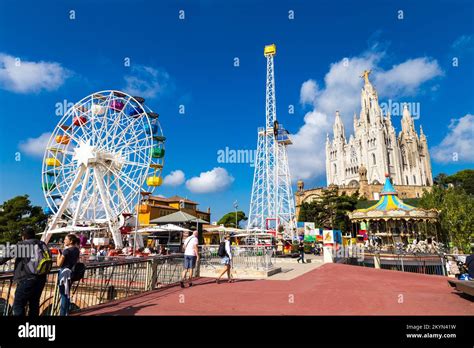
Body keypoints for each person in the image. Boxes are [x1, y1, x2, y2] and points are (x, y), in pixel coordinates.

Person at [0, 227, 52, 316]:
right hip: (41, 279)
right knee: (34, 304)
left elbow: (4, 257)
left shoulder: (23, 245)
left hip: (27, 279)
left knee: (18, 305)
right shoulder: (42, 244)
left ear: (23, 237)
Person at [57, 234, 80, 316]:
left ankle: (62, 313)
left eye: (65, 239)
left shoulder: (66, 251)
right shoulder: (76, 250)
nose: (64, 241)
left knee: (63, 294)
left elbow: (59, 264)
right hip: (71, 273)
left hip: (64, 273)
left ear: (70, 241)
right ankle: (66, 311)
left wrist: (59, 255)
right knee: (67, 293)